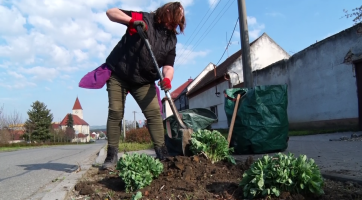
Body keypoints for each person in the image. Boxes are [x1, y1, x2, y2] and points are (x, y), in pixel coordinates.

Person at [102, 2, 186, 170]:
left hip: (143, 79)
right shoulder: (144, 19)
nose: (173, 25)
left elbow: (168, 66)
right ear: (166, 11)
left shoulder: (171, 39)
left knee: (154, 114)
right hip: (119, 73)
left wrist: (167, 79)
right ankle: (111, 157)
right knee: (116, 111)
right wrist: (131, 22)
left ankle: (162, 153)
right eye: (173, 20)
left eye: (178, 22)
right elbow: (111, 12)